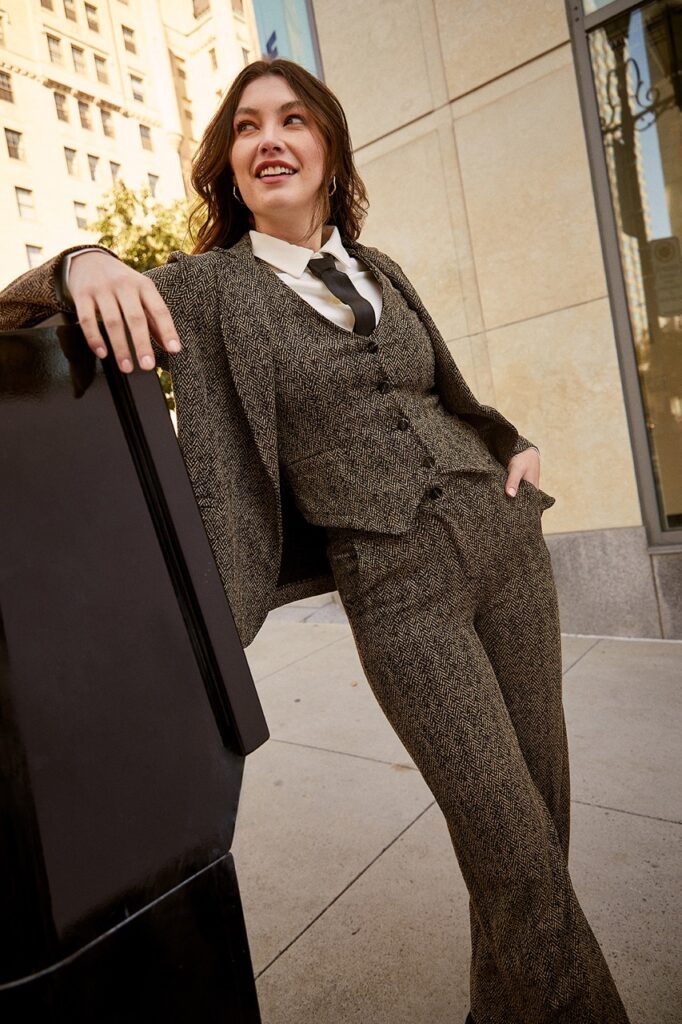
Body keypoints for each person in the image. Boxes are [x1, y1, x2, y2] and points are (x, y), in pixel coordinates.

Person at [0, 58, 630, 1024]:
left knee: (539, 839)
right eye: (248, 127)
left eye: (293, 120)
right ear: (231, 163)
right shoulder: (207, 289)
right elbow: (16, 306)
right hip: (398, 587)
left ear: (328, 150)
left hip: (508, 550)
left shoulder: (383, 270)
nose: (269, 140)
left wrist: (512, 441)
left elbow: (448, 392)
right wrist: (82, 261)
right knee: (512, 848)